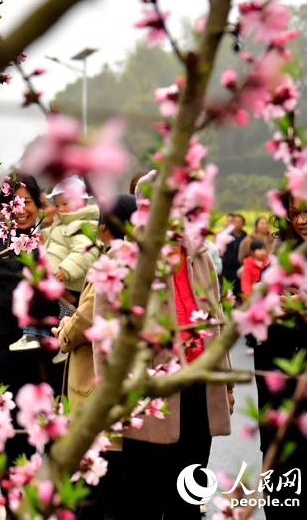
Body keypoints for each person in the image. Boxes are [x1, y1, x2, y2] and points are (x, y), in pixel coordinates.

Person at [93, 186, 233, 520]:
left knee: (188, 495)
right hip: (148, 397)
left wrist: (225, 381)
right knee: (142, 496)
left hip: (198, 392)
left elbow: (216, 321)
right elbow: (104, 339)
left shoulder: (200, 257)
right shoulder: (120, 260)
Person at [52, 194, 137, 520]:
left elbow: (86, 319)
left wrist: (64, 332)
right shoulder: (144, 262)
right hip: (128, 384)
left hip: (95, 385)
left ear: (104, 229)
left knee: (100, 487)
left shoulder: (110, 264)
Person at [0, 174, 64, 469]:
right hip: (11, 357)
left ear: (37, 202)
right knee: (15, 448)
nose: (20, 209)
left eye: (27, 201)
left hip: (54, 355)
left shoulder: (53, 237)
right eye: (13, 203)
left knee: (61, 445)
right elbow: (7, 296)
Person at [253, 190, 307, 519]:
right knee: (282, 463)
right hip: (279, 377)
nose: (302, 220)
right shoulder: (285, 251)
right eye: (295, 213)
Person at [10, 176, 100, 351]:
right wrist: (45, 238)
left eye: (64, 204)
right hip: (60, 280)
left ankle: (38, 336)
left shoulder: (81, 225)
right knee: (60, 313)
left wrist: (66, 270)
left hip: (69, 280)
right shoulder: (63, 224)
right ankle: (51, 341)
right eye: (57, 205)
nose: (60, 209)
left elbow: (86, 251)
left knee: (62, 312)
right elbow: (58, 239)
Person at [222, 213, 247, 290]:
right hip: (227, 268)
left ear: (243, 224)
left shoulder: (246, 237)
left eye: (240, 222)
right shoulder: (226, 235)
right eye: (235, 222)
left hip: (240, 267)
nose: (237, 224)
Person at [240, 238, 268, 303]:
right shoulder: (248, 265)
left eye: (263, 249)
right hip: (253, 296)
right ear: (252, 252)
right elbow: (245, 284)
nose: (262, 252)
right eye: (259, 249)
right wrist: (248, 298)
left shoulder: (267, 263)